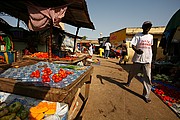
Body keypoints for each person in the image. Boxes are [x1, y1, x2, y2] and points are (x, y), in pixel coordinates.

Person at [125, 21, 153, 103]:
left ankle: (146, 95)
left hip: (147, 60)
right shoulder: (137, 35)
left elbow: (150, 48)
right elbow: (132, 45)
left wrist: (151, 60)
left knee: (147, 78)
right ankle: (129, 81)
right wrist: (137, 50)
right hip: (138, 59)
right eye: (146, 26)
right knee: (132, 73)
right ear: (143, 27)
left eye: (149, 27)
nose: (147, 28)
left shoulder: (151, 37)